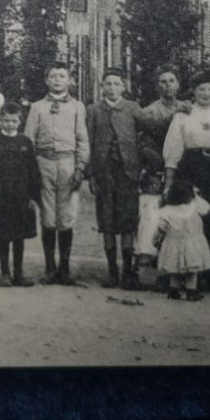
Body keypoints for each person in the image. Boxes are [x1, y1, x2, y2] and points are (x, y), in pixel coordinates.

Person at [162, 71, 210, 288]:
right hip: (191, 168)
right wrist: (169, 183)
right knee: (191, 220)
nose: (206, 93)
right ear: (193, 91)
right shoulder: (183, 115)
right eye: (201, 89)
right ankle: (189, 272)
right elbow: (173, 150)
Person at [23, 63, 89, 284]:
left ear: (69, 80)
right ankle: (49, 268)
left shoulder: (78, 107)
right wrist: (32, 172)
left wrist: (80, 167)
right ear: (46, 80)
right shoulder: (36, 107)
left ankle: (65, 269)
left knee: (67, 216)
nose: (57, 80)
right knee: (48, 217)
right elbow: (28, 140)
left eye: (62, 76)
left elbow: (82, 139)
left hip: (68, 163)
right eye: (53, 76)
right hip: (43, 163)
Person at [86, 68, 146, 289]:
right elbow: (88, 143)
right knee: (107, 222)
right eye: (108, 84)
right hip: (104, 174)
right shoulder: (93, 110)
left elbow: (149, 130)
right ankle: (112, 271)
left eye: (116, 84)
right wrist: (91, 174)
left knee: (128, 222)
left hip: (128, 173)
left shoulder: (132, 108)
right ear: (102, 87)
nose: (112, 88)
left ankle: (128, 271)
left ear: (124, 87)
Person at [0, 102, 41, 287]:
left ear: (20, 122)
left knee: (19, 237)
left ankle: (19, 273)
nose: (10, 124)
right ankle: (5, 273)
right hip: (0, 198)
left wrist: (32, 196)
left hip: (21, 198)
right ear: (0, 120)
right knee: (3, 236)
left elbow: (33, 172)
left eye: (14, 121)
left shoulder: (25, 142)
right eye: (6, 120)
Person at [135, 67, 189, 275]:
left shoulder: (187, 108)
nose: (168, 86)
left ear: (178, 84)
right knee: (153, 214)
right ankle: (149, 263)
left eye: (172, 81)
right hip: (157, 168)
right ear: (157, 86)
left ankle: (176, 267)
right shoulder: (149, 112)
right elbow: (145, 144)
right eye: (163, 82)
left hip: (181, 169)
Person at [153, 179, 210, 301]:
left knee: (174, 268)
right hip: (193, 243)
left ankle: (173, 289)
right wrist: (197, 196)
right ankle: (191, 291)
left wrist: (157, 239)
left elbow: (161, 227)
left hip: (173, 242)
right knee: (192, 270)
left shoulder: (167, 210)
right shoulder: (195, 205)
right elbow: (207, 208)